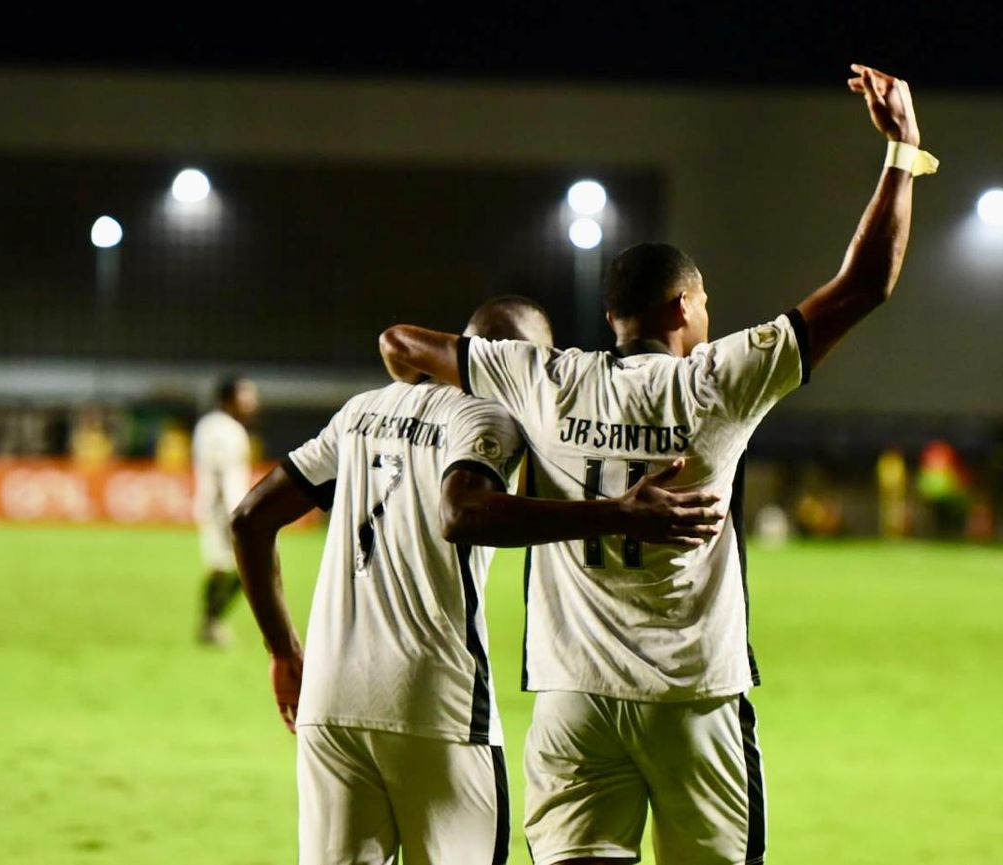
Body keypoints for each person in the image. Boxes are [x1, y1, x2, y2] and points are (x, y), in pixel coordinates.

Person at [378, 65, 934, 865]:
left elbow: (402, 342)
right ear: (682, 307)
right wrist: (902, 152)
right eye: (705, 304)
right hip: (692, 698)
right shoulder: (719, 381)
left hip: (573, 696)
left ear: (612, 317)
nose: (710, 316)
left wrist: (439, 396)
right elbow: (865, 284)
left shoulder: (547, 378)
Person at [230, 296, 722, 865]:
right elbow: (462, 512)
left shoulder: (361, 411)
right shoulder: (488, 415)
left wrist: (284, 651)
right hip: (434, 704)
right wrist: (617, 513)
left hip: (328, 702)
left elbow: (249, 519)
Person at [192, 376, 258, 645]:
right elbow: (220, 473)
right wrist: (230, 512)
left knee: (222, 567)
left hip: (218, 506)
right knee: (245, 568)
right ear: (230, 399)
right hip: (225, 509)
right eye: (247, 397)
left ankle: (210, 623)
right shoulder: (227, 430)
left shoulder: (207, 426)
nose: (253, 403)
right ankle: (212, 622)